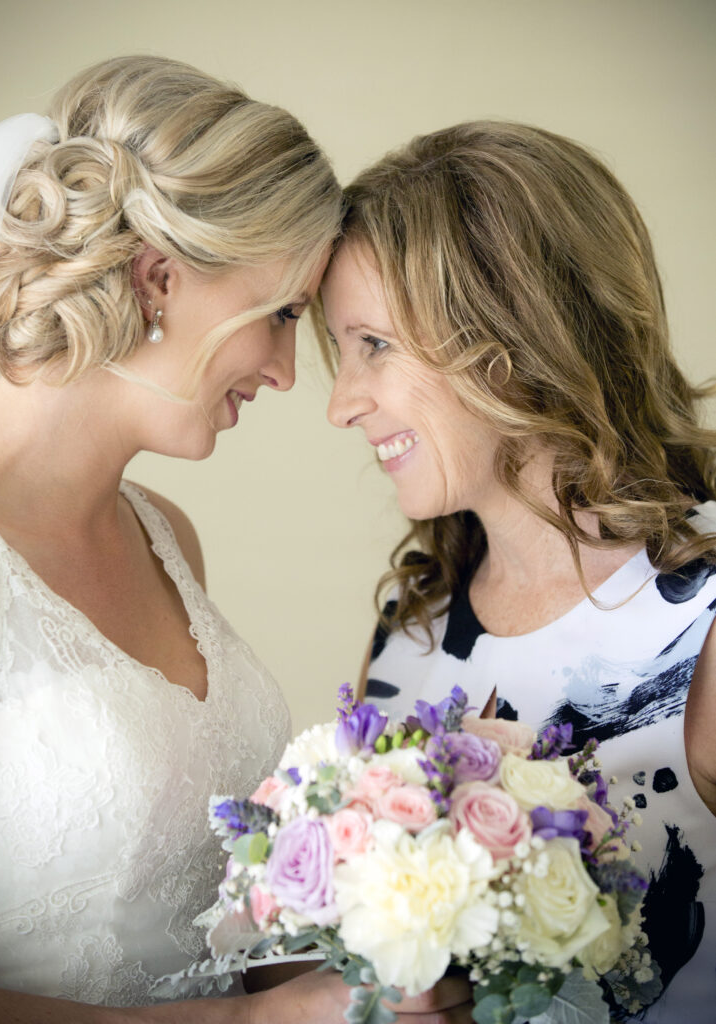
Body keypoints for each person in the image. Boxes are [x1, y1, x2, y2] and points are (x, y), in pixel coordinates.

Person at [0, 56, 472, 1023]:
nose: (285, 373)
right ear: (157, 278)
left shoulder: (168, 539)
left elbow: (211, 913)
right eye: (279, 315)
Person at [319, 120, 716, 1022]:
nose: (341, 402)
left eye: (373, 344)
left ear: (510, 335)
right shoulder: (410, 631)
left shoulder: (702, 615)